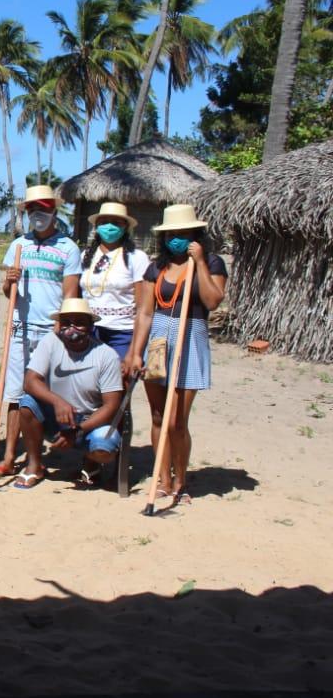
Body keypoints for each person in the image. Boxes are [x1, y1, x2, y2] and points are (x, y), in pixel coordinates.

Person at [129, 204, 227, 506]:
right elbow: (144, 312)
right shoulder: (156, 268)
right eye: (172, 234)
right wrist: (135, 352)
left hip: (191, 338)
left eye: (183, 234)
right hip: (158, 340)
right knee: (159, 416)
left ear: (196, 235)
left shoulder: (212, 263)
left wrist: (198, 264)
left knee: (177, 421)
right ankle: (163, 479)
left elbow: (213, 301)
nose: (177, 239)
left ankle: (181, 480)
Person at [0, 184, 82, 477]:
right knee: (16, 395)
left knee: (49, 392)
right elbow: (9, 292)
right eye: (33, 210)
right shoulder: (19, 246)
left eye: (44, 209)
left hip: (50, 330)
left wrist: (61, 328)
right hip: (20, 328)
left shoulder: (68, 248)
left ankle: (52, 449)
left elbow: (70, 292)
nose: (38, 215)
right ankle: (8, 457)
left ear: (54, 211)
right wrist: (9, 280)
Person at [13, 298, 123, 490]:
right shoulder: (50, 342)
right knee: (27, 403)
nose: (71, 328)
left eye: (79, 322)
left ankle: (91, 463)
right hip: (56, 417)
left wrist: (79, 430)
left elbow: (111, 405)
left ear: (90, 325)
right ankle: (34, 465)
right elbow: (30, 381)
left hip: (89, 420)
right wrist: (57, 402)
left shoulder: (106, 355)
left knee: (105, 449)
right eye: (66, 322)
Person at [78, 202, 150, 366]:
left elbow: (143, 308)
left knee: (117, 384)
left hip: (122, 332)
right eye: (104, 222)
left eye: (116, 223)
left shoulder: (136, 258)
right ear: (96, 226)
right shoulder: (85, 257)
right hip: (90, 331)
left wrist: (134, 351)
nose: (109, 227)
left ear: (125, 227)